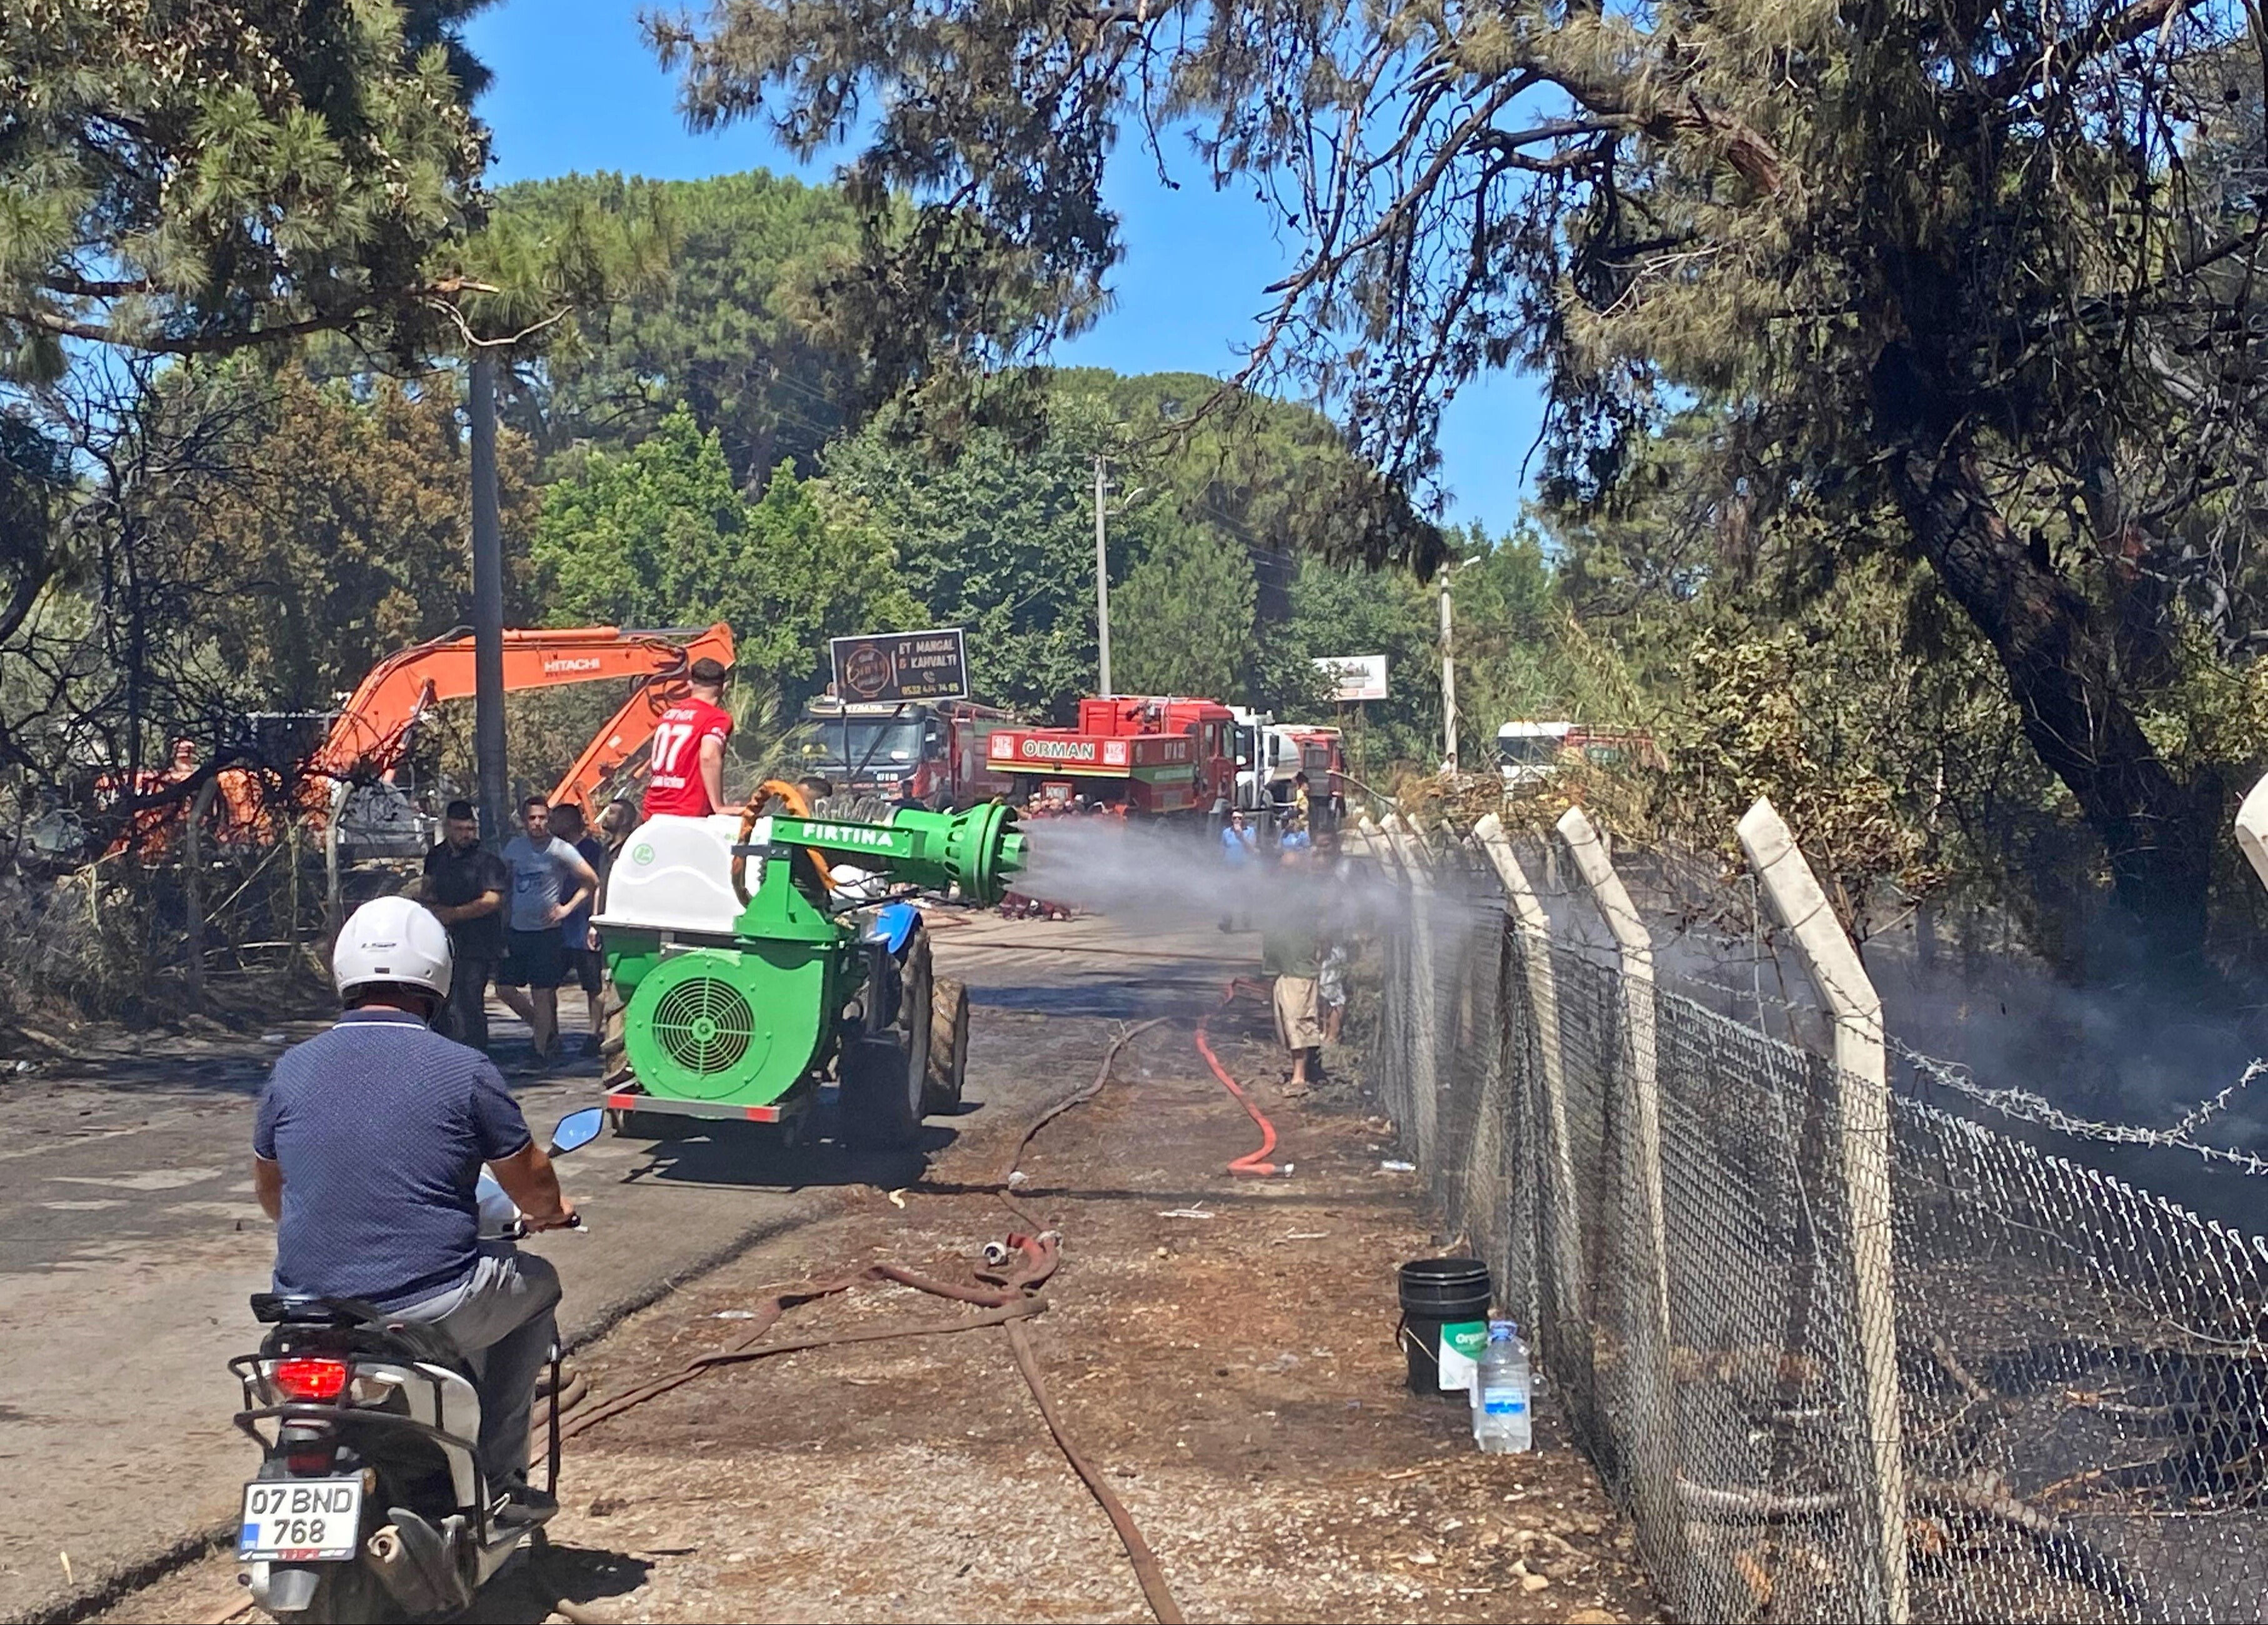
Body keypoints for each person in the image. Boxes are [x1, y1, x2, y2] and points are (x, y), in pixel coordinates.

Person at [252, 897, 576, 1504]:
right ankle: (502, 1479)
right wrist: (551, 1212)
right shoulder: (463, 1069)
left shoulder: (292, 1069)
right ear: (437, 976)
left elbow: (274, 1191)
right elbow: (530, 1181)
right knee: (539, 1287)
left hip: (306, 1308)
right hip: (426, 1302)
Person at [495, 796, 598, 1066]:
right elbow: (505, 883)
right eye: (533, 818)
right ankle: (546, 1031)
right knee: (505, 989)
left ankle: (540, 1050)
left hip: (547, 933)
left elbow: (591, 881)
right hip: (518, 930)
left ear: (549, 820)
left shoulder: (560, 849)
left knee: (543, 992)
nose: (538, 823)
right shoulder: (514, 848)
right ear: (524, 820)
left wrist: (567, 908)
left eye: (543, 818)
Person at [418, 800, 509, 1052]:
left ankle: (476, 1055)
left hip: (477, 944)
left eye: (470, 829)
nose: (466, 834)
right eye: (460, 829)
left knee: (469, 1005)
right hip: (442, 942)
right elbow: (428, 889)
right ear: (448, 828)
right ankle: (442, 1052)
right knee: (441, 1003)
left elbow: (493, 900)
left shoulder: (487, 861)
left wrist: (454, 914)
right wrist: (428, 909)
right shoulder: (436, 856)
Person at [1261, 844, 1325, 1094]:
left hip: (1298, 968)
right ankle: (1303, 1071)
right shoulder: (1279, 893)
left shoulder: (1305, 894)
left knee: (1299, 1022)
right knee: (1288, 1024)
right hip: (1282, 969)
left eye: (1286, 869)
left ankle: (1301, 1077)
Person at [549, 803, 609, 1060]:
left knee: (592, 985)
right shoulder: (553, 849)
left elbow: (597, 886)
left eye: (556, 819)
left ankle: (593, 1034)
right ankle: (549, 1033)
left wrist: (595, 923)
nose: (551, 824)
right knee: (547, 983)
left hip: (583, 928)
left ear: (569, 822)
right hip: (557, 929)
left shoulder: (592, 851)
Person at [641, 656, 734, 820]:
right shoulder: (717, 718)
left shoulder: (667, 715)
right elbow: (708, 756)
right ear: (724, 688)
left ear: (690, 684)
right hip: (688, 816)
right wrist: (718, 806)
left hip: (652, 815)